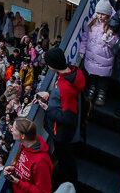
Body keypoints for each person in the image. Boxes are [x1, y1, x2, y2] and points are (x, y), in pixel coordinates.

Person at [38, 47, 85, 188]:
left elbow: (68, 118)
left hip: (62, 134)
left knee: (65, 159)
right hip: (67, 132)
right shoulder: (75, 72)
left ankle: (70, 184)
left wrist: (48, 109)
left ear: (52, 66)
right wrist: (50, 94)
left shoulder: (65, 88)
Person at [78, 0, 118, 106]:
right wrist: (82, 49)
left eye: (103, 14)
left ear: (108, 14)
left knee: (103, 78)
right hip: (91, 57)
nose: (100, 16)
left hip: (104, 58)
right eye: (98, 13)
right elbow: (85, 36)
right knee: (92, 76)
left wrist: (109, 39)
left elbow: (116, 43)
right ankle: (91, 89)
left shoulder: (113, 25)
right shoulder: (93, 21)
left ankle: (101, 93)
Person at [3, 117, 52, 193]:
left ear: (23, 136)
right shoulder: (23, 145)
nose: (11, 129)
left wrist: (18, 182)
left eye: (15, 129)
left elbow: (44, 191)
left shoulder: (41, 162)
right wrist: (14, 169)